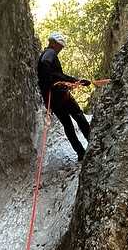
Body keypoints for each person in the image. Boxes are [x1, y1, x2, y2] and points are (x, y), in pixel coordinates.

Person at [36, 30, 91, 160]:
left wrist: (78, 82)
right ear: (54, 43)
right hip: (59, 93)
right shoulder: (50, 52)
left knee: (68, 125)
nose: (60, 50)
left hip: (52, 98)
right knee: (78, 115)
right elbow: (45, 64)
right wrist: (49, 83)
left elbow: (61, 77)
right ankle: (92, 142)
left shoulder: (47, 56)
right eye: (60, 46)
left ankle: (80, 153)